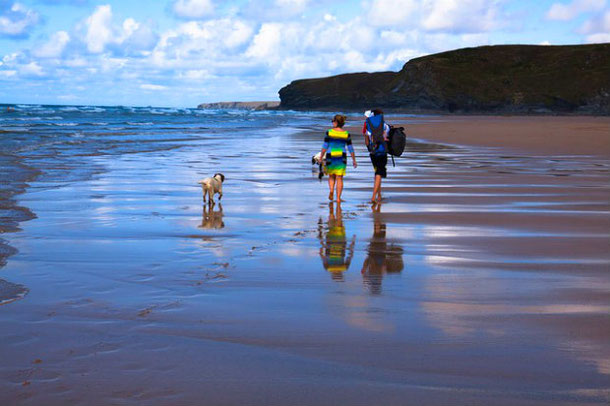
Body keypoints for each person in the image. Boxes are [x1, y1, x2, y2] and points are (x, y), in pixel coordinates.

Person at [320, 114, 357, 202]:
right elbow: (350, 148)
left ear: (336, 122)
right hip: (341, 156)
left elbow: (325, 146)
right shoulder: (346, 134)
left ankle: (332, 190)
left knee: (331, 176)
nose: (332, 122)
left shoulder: (329, 132)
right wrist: (354, 160)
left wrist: (321, 156)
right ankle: (338, 198)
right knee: (339, 178)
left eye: (333, 121)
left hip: (330, 155)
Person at [363, 109, 390, 203]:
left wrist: (369, 149)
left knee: (377, 173)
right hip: (382, 152)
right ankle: (373, 197)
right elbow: (386, 138)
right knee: (379, 173)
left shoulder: (368, 125)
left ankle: (379, 195)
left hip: (373, 152)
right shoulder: (385, 126)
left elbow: (366, 139)